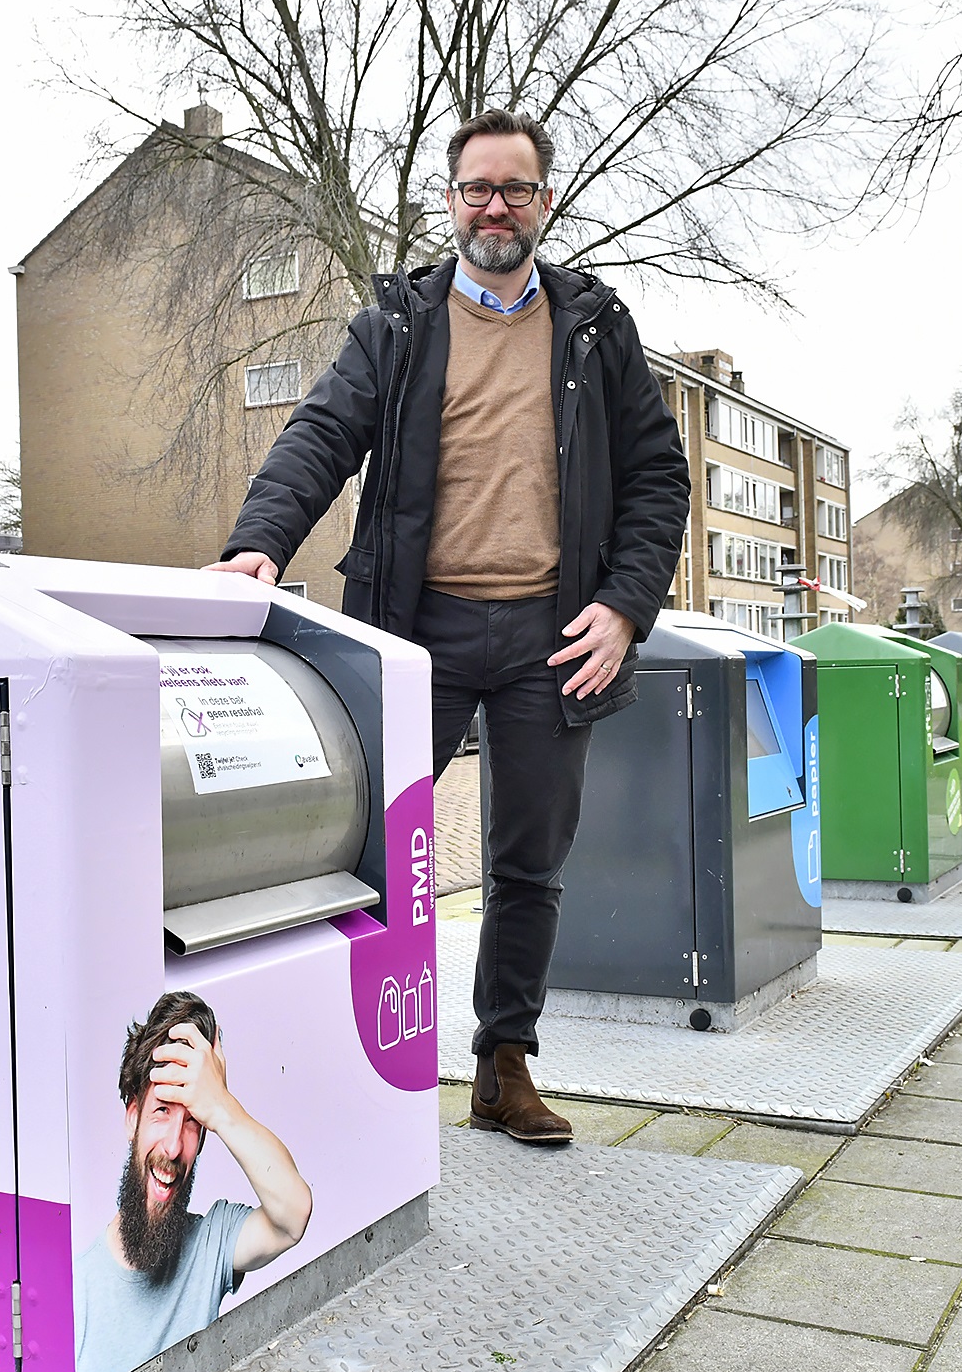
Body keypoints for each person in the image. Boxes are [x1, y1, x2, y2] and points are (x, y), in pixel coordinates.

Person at [210, 107, 690, 1144]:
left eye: (515, 189)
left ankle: (502, 1063)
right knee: (375, 851)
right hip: (410, 631)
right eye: (477, 188)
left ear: (545, 202)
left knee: (529, 861)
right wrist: (261, 539)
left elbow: (659, 478)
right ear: (450, 199)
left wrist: (624, 604)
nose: (495, 208)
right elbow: (323, 431)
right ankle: (361, 1061)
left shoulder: (597, 329)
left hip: (552, 636)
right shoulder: (401, 324)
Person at [73, 991, 313, 1372]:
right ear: (133, 1118)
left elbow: (292, 1217)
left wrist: (220, 1107)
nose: (172, 1147)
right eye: (162, 1110)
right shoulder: (73, 1292)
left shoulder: (210, 1245)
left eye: (192, 1122)